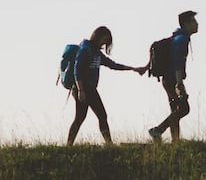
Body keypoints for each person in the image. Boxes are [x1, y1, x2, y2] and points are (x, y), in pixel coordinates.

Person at [68, 26, 146, 146]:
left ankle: (70, 145)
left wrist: (133, 69)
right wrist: (81, 90)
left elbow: (112, 65)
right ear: (97, 36)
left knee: (82, 118)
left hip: (89, 89)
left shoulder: (96, 53)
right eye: (104, 40)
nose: (104, 43)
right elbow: (77, 70)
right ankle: (109, 144)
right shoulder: (85, 49)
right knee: (100, 115)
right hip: (83, 88)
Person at [149, 10, 199, 143]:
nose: (197, 24)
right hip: (172, 80)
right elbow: (177, 62)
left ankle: (175, 141)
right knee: (183, 108)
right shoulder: (181, 39)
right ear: (186, 24)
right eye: (193, 21)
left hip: (169, 79)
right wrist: (179, 83)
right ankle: (157, 130)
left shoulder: (178, 38)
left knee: (175, 110)